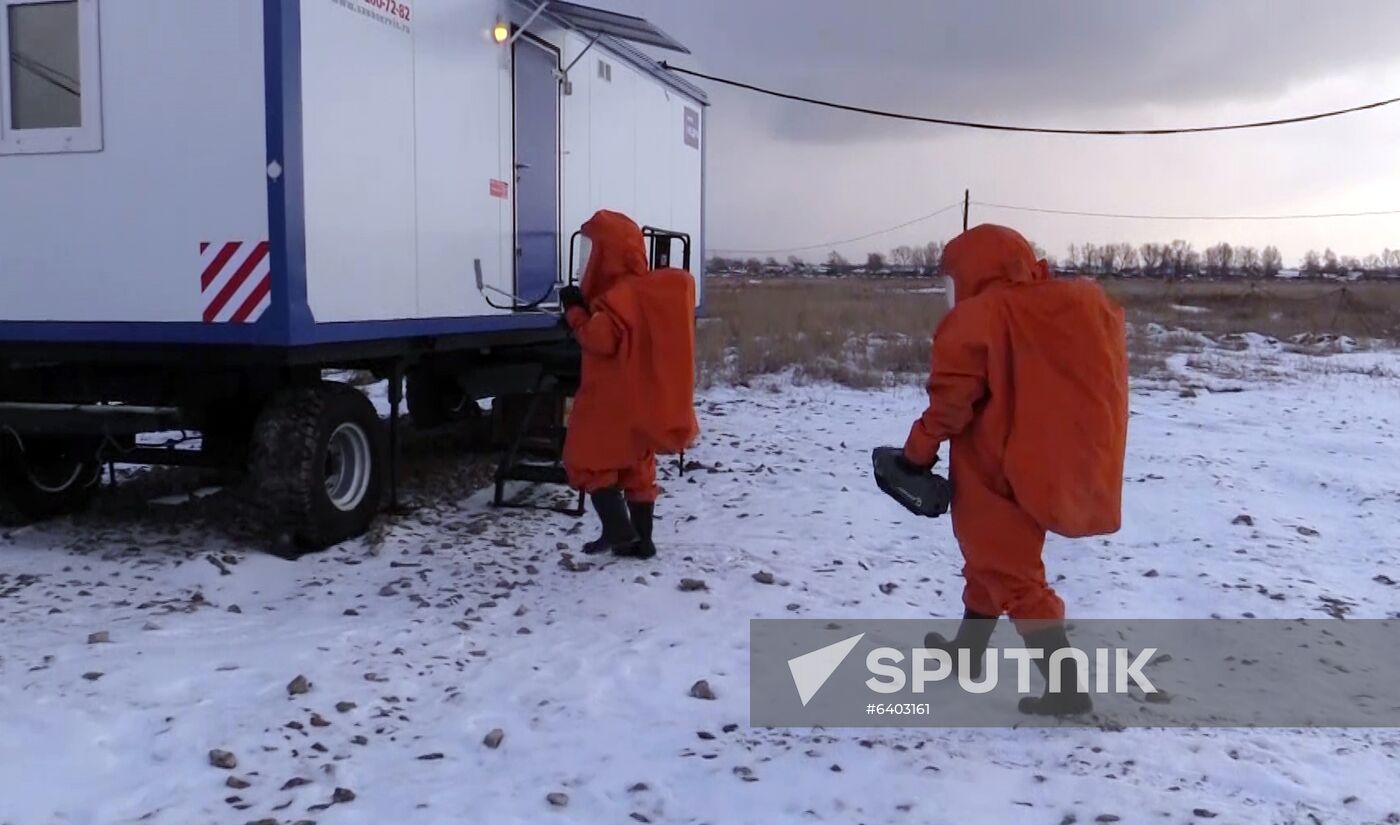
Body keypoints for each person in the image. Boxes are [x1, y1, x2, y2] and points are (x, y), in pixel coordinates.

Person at [902, 224, 1128, 715]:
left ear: (973, 273)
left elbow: (949, 407)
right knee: (988, 567)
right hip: (1024, 464)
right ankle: (967, 655)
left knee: (1016, 579)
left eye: (952, 279)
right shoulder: (1038, 310)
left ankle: (1066, 689)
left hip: (991, 473)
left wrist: (913, 455)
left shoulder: (977, 319)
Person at [557, 210, 699, 560]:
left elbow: (600, 339)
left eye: (592, 251)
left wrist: (574, 312)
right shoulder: (646, 292)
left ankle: (618, 530)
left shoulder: (618, 296)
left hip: (608, 397)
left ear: (609, 254)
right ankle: (642, 541)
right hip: (639, 397)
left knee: (588, 458)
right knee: (637, 466)